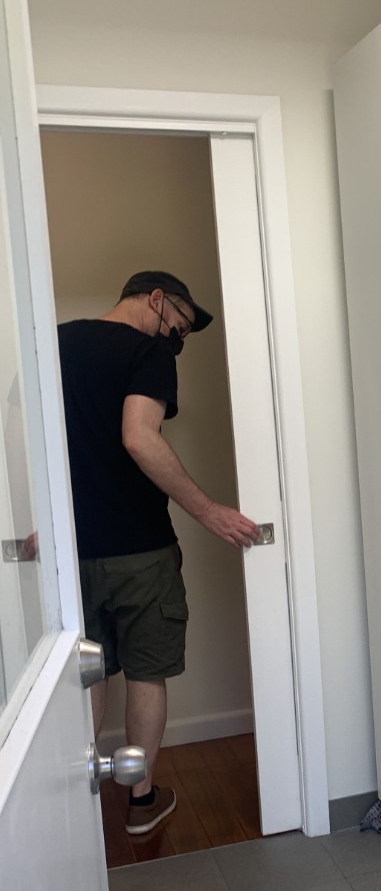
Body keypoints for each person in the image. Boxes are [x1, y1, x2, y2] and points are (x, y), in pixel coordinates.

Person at [58, 270, 259, 835]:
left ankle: (77, 809)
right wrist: (210, 511)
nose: (178, 339)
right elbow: (139, 436)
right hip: (141, 550)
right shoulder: (147, 352)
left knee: (85, 677)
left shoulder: (56, 340)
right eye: (180, 324)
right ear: (154, 299)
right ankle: (140, 803)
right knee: (146, 673)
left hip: (72, 552)